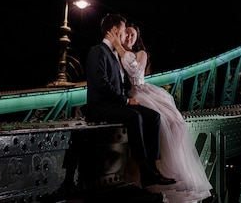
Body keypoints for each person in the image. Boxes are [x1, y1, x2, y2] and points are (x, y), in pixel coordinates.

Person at [109, 22, 213, 202]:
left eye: (132, 35)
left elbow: (135, 69)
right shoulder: (114, 53)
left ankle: (171, 170)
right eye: (126, 34)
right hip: (132, 95)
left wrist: (119, 46)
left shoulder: (140, 53)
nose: (129, 38)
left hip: (144, 91)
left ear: (137, 38)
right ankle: (153, 171)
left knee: (177, 123)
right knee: (162, 124)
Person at [85, 13, 176, 188]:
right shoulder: (97, 51)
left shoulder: (115, 54)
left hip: (114, 103)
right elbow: (102, 85)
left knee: (153, 116)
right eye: (121, 31)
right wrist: (126, 101)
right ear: (113, 30)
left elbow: (125, 80)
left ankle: (153, 168)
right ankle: (144, 169)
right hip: (101, 106)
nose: (124, 35)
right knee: (135, 117)